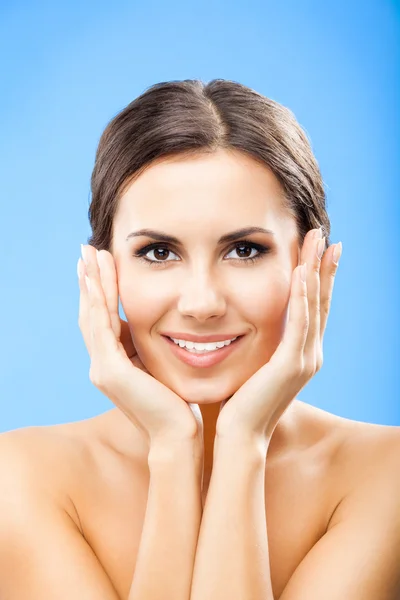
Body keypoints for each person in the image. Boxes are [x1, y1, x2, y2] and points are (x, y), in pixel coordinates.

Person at [0, 79, 399, 600]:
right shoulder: (21, 478)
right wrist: (172, 446)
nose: (202, 302)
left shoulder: (386, 476)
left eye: (245, 250)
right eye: (159, 252)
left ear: (311, 263)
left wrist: (241, 445)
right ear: (103, 270)